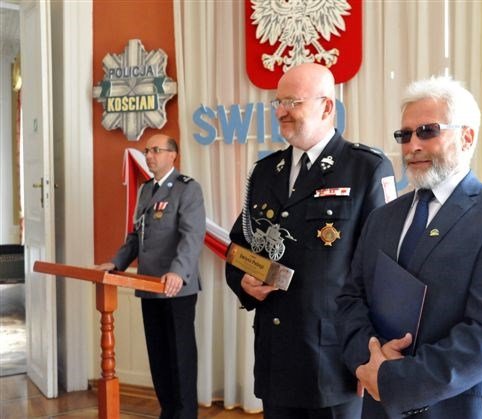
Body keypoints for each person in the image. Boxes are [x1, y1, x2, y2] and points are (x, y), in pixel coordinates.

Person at [336, 76, 482, 418]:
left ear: (466, 137)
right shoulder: (381, 218)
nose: (412, 145)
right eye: (405, 135)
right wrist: (369, 358)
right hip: (380, 401)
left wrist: (394, 379)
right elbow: (350, 299)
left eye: (427, 131)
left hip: (463, 407)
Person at [225, 63, 396, 419]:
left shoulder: (365, 168)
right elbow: (239, 246)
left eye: (292, 102)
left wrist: (369, 353)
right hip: (276, 357)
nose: (281, 112)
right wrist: (243, 281)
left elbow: (383, 269)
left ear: (327, 106)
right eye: (278, 103)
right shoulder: (265, 171)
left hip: (335, 361)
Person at [96, 134, 206, 419]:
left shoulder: (187, 189)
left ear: (173, 155)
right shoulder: (146, 190)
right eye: (147, 151)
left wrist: (178, 271)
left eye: (156, 150)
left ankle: (185, 415)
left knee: (180, 357)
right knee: (158, 356)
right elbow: (135, 236)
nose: (149, 156)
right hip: (148, 284)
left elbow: (192, 236)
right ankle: (168, 412)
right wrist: (116, 263)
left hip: (175, 287)